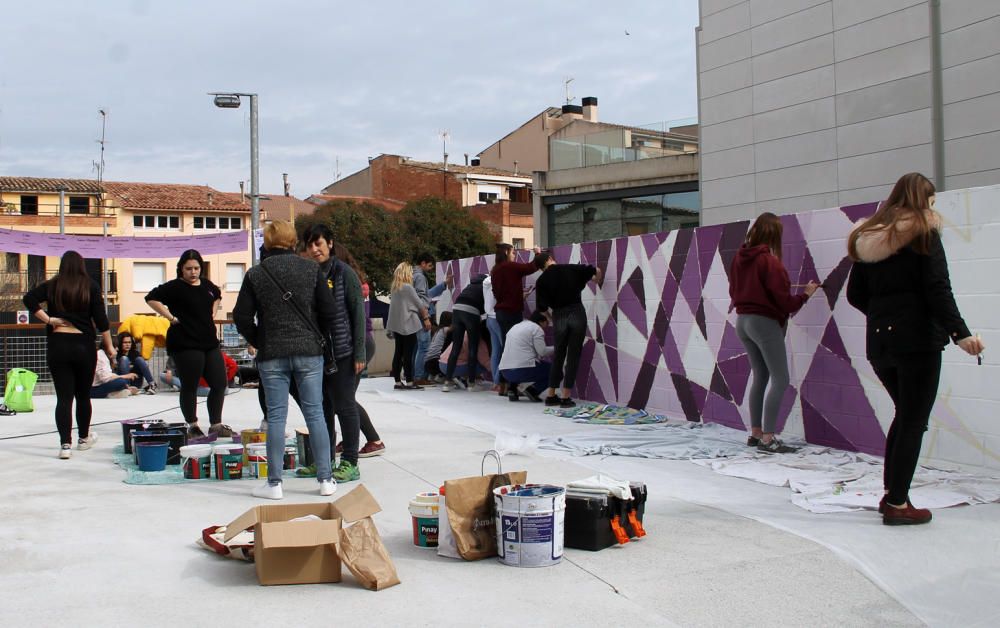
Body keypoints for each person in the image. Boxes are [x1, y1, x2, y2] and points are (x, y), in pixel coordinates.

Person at [847, 172, 983, 526]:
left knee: (904, 416)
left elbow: (855, 296)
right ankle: (897, 503)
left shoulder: (866, 238)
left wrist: (884, 316)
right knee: (913, 421)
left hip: (879, 343)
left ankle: (892, 494)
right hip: (917, 342)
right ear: (924, 201)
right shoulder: (924, 233)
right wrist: (961, 334)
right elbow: (938, 288)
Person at [233, 220, 338, 500]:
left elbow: (241, 316)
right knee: (315, 412)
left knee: (276, 417)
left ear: (266, 243)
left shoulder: (256, 274)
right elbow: (329, 311)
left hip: (272, 354)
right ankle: (326, 479)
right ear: (295, 243)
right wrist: (318, 336)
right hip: (309, 352)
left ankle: (274, 484)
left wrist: (260, 340)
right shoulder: (311, 269)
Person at [729, 213, 818, 453]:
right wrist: (807, 294)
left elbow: (735, 290)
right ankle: (768, 438)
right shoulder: (770, 262)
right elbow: (785, 303)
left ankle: (756, 434)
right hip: (764, 324)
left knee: (760, 376)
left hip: (743, 321)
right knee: (781, 379)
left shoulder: (739, 258)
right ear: (774, 235)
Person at [23, 250, 116, 459]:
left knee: (64, 398)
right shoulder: (91, 286)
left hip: (59, 343)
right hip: (83, 344)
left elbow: (28, 299)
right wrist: (109, 347)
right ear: (82, 266)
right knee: (83, 395)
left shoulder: (53, 285)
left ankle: (65, 445)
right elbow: (102, 321)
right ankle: (84, 439)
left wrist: (48, 319)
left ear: (62, 266)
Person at [302, 224, 366, 483]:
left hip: (344, 351)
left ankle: (350, 461)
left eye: (319, 243)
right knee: (323, 407)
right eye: (310, 245)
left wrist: (359, 352)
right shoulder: (309, 273)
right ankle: (324, 461)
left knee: (345, 406)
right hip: (319, 353)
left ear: (330, 243)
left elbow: (357, 313)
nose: (315, 249)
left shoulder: (344, 273)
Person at [146, 249, 231, 439]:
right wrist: (170, 317)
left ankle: (216, 424)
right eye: (188, 269)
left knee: (219, 383)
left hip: (209, 341)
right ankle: (192, 425)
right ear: (181, 269)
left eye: (196, 268)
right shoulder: (175, 287)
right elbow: (151, 298)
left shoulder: (207, 285)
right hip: (185, 342)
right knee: (190, 385)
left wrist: (213, 312)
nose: (193, 272)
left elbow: (217, 295)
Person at [534, 253, 603, 408]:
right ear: (550, 258)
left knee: (559, 354)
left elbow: (542, 309)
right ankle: (565, 396)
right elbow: (596, 270)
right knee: (573, 354)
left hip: (559, 315)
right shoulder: (570, 268)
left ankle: (551, 395)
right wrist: (597, 281)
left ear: (540, 268)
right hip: (576, 312)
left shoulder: (542, 280)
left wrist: (552, 319)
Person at [387, 262, 432, 390]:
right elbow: (420, 305)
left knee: (398, 352)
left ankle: (397, 381)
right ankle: (410, 381)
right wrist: (426, 319)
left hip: (397, 325)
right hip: (408, 325)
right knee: (408, 353)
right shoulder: (408, 288)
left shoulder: (394, 288)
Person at [442, 273, 488, 392]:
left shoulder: (469, 286)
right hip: (471, 312)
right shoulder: (486, 287)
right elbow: (486, 307)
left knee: (456, 347)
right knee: (473, 348)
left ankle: (447, 382)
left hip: (457, 309)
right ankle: (472, 383)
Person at [498, 311, 553, 402]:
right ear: (541, 322)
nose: (546, 327)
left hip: (505, 372)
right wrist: (558, 348)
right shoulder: (537, 328)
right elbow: (542, 352)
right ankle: (533, 390)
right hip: (521, 371)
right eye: (547, 323)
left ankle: (512, 389)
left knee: (519, 359)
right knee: (555, 370)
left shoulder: (516, 326)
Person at [483, 275, 504, 394]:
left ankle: (495, 383)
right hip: (497, 318)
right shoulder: (498, 280)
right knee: (505, 350)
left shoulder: (486, 282)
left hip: (489, 318)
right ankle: (498, 381)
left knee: (496, 352)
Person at [424, 311, 453, 381]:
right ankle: (441, 375)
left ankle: (433, 375)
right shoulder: (445, 329)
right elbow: (454, 329)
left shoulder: (438, 330)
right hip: (436, 363)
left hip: (427, 363)